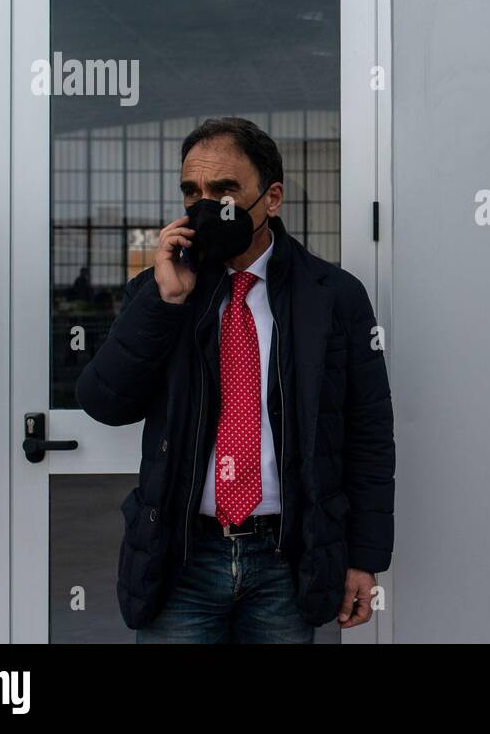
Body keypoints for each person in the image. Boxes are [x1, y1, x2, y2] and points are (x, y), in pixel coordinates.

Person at [76, 117, 394, 643]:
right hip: (182, 559)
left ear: (271, 198)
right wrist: (165, 302)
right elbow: (105, 401)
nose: (207, 205)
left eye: (224, 190)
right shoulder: (160, 291)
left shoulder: (333, 296)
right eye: (192, 192)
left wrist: (363, 557)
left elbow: (368, 434)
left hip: (286, 561)